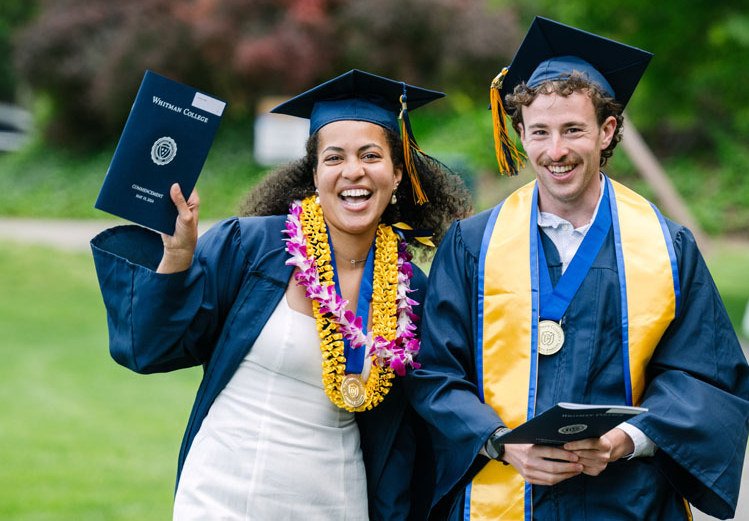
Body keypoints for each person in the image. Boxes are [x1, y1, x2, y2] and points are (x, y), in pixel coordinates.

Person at [405, 17, 749, 520]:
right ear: (520, 133)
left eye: (573, 129)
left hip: (627, 503)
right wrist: (499, 442)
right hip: (503, 499)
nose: (556, 151)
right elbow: (434, 372)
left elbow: (707, 378)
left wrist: (625, 440)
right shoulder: (472, 246)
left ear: (606, 130)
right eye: (540, 132)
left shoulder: (666, 246)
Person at [90, 69, 471, 520]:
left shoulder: (411, 294)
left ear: (397, 174)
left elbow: (418, 426)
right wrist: (176, 255)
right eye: (334, 158)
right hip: (221, 496)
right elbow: (151, 348)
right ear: (314, 173)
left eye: (371, 155)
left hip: (335, 501)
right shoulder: (250, 247)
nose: (353, 171)